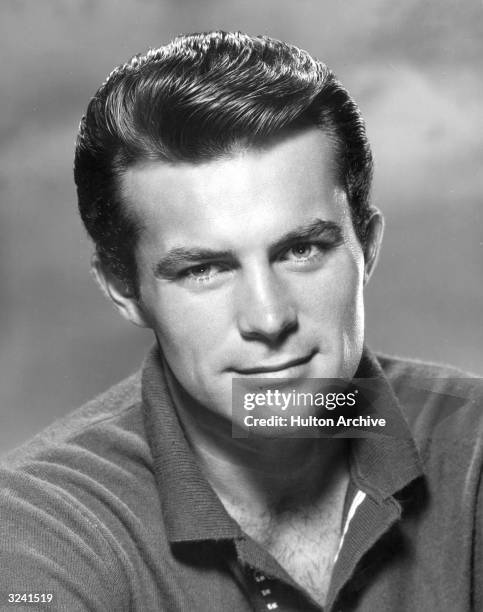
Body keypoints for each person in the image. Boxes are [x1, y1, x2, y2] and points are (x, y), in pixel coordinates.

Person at [0, 31, 482, 612]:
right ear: (124, 291)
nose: (269, 318)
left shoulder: (470, 449)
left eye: (301, 250)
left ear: (368, 247)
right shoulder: (36, 528)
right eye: (204, 269)